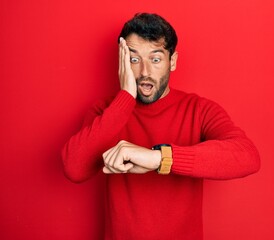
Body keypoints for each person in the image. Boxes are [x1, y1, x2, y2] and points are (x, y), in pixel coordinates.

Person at [62, 12, 260, 240]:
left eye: (155, 59)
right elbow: (74, 169)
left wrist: (160, 158)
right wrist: (126, 97)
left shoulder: (199, 109)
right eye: (134, 60)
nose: (144, 72)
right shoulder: (106, 111)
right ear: (123, 62)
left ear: (172, 61)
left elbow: (247, 156)